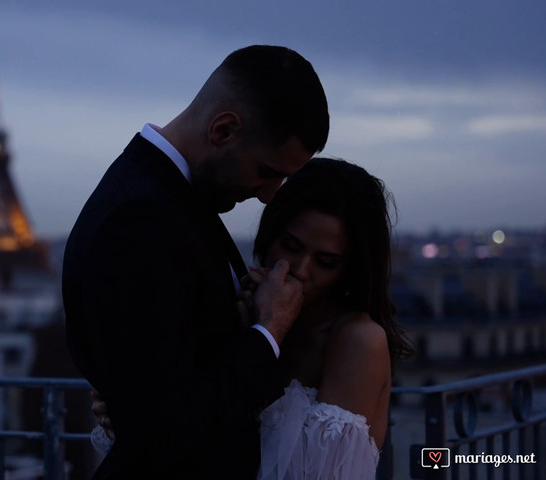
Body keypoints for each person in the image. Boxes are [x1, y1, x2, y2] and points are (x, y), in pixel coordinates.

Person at [62, 45, 329, 479]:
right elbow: (159, 429)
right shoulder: (143, 219)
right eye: (266, 170)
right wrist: (268, 332)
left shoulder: (168, 200)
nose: (268, 193)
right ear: (223, 130)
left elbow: (161, 381)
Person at [92, 157, 414, 479]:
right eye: (290, 246)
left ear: (349, 270)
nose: (300, 271)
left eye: (326, 261)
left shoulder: (356, 340)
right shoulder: (241, 309)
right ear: (270, 233)